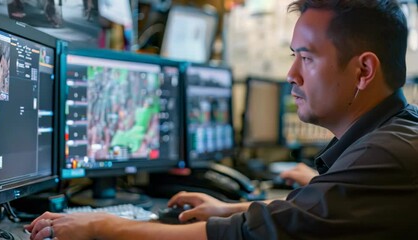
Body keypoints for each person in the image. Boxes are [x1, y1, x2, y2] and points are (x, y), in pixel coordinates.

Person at [25, 0, 418, 239]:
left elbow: (254, 235)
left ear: (364, 70)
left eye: (307, 58)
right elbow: (315, 212)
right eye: (293, 56)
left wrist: (102, 228)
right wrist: (229, 208)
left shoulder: (387, 155)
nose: (292, 75)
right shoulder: (389, 137)